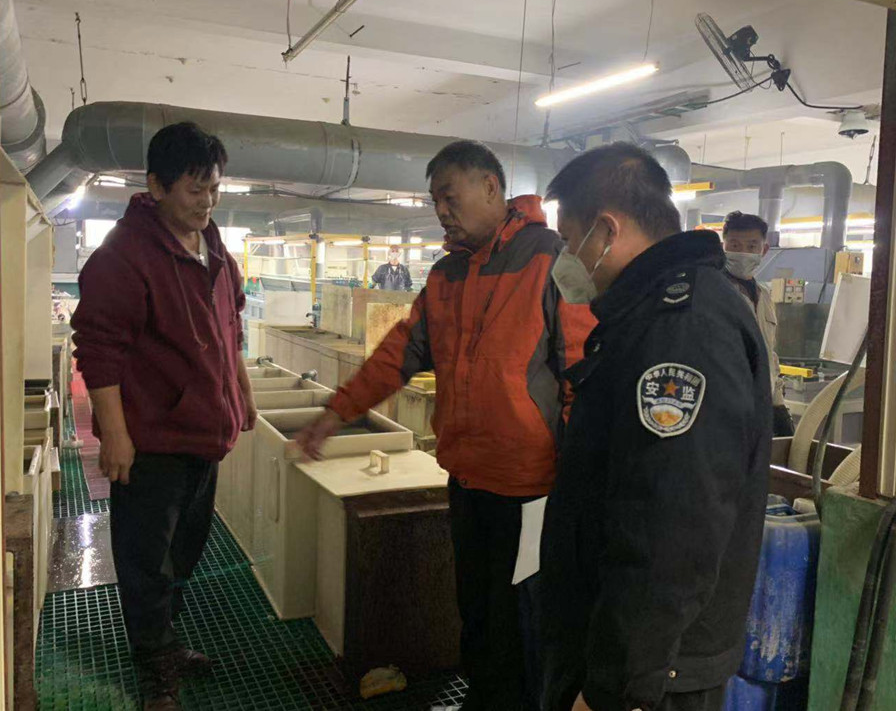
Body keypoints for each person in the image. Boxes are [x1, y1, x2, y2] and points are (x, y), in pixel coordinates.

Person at [298, 140, 594, 711]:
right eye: (434, 200)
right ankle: (482, 699)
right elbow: (398, 354)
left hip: (531, 490)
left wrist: (579, 477)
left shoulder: (551, 259)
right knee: (476, 610)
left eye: (449, 197)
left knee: (521, 622)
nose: (441, 211)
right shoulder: (446, 275)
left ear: (491, 187)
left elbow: (582, 373)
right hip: (467, 479)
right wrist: (337, 411)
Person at [540, 143, 771, 711]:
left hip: (652, 672)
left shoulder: (682, 328)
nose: (566, 259)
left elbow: (672, 525)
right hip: (626, 646)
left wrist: (617, 685)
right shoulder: (648, 314)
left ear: (606, 231)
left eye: (569, 241)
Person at [71, 122, 258, 711]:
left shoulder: (214, 245)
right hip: (153, 441)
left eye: (214, 189)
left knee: (185, 552)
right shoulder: (124, 256)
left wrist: (243, 391)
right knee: (146, 560)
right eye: (194, 190)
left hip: (204, 436)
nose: (207, 203)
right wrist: (115, 435)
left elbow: (231, 324)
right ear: (156, 186)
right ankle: (154, 666)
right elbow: (98, 349)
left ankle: (165, 642)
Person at [722, 211, 794, 436]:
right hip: (726, 411)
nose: (742, 252)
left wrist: (778, 405)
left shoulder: (765, 297)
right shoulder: (713, 292)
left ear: (764, 250)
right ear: (723, 246)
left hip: (762, 408)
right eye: (735, 245)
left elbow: (770, 355)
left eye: (751, 246)